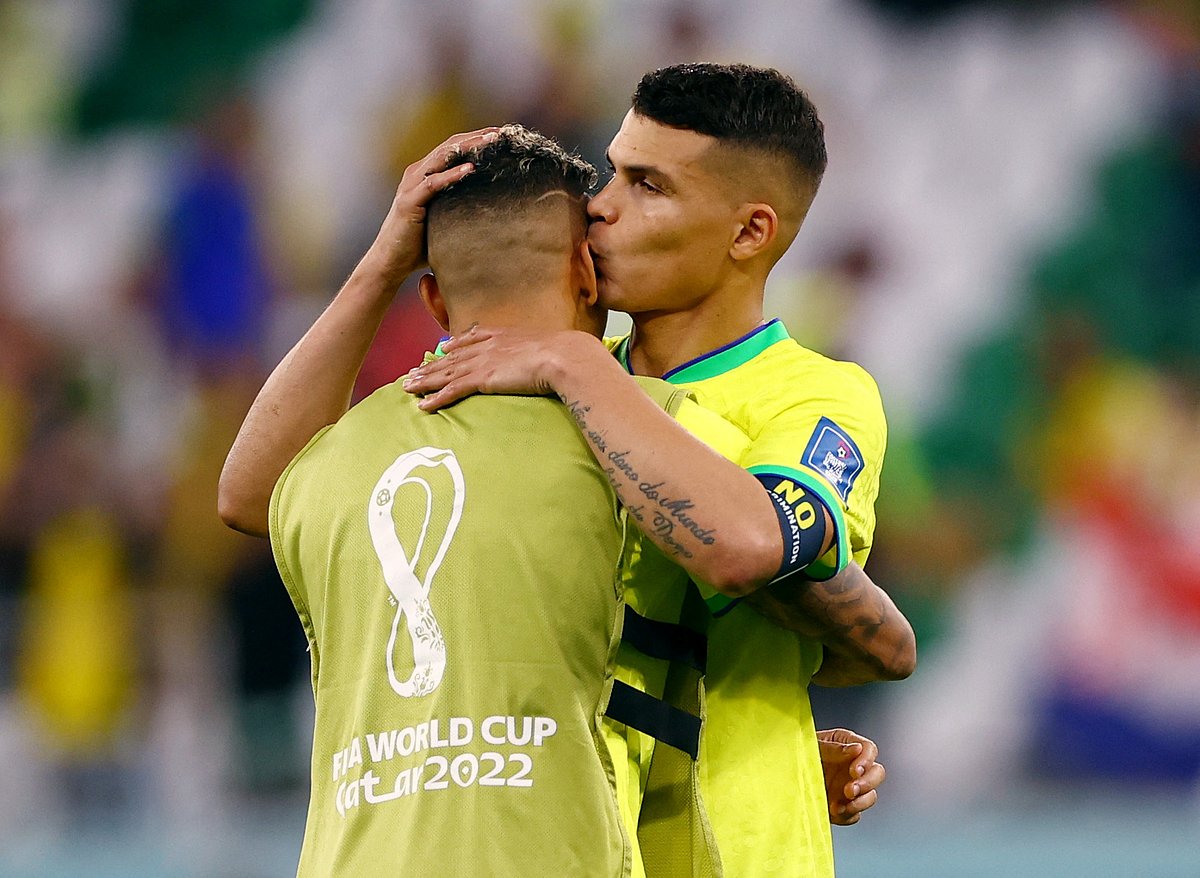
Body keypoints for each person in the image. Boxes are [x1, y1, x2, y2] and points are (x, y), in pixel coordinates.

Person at [219, 74, 910, 874]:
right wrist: (385, 266)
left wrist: (572, 362)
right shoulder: (532, 373)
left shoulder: (813, 394)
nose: (602, 205)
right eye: (613, 169)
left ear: (750, 232)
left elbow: (769, 559)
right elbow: (266, 493)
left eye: (647, 185)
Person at [264, 125, 760, 875]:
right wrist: (577, 361)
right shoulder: (649, 426)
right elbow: (750, 549)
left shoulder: (323, 463)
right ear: (586, 275)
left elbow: (243, 494)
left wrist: (381, 263)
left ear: (430, 297)